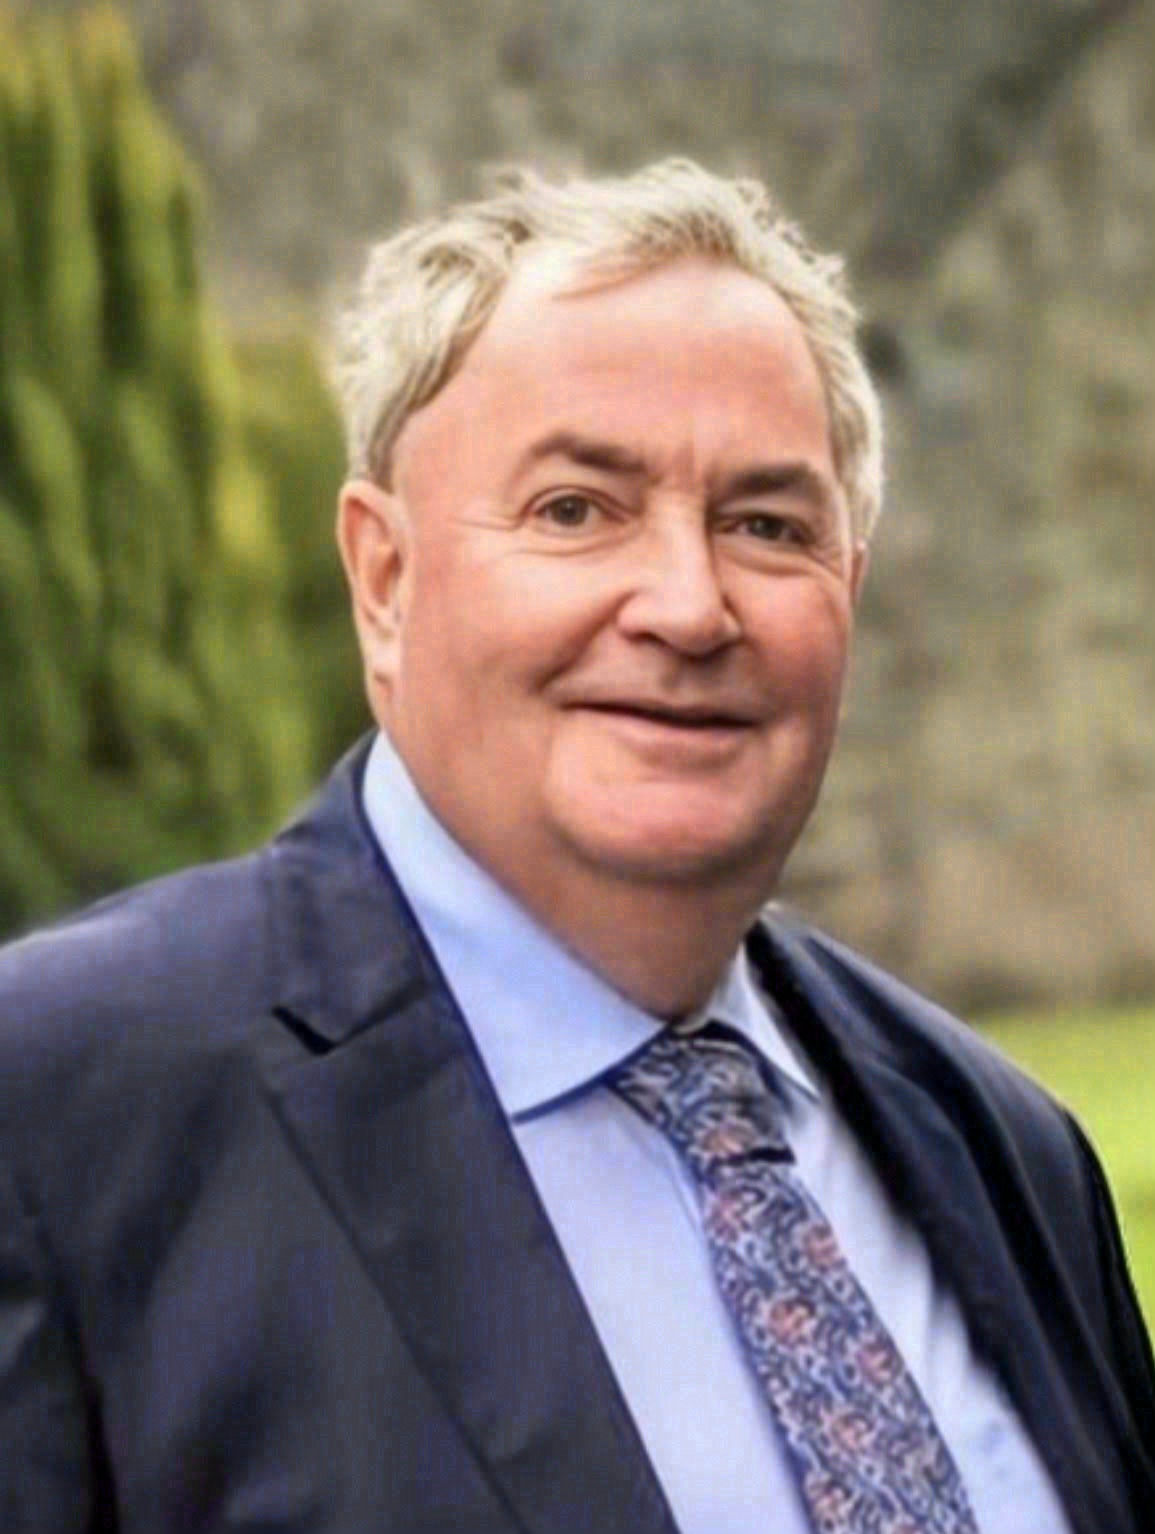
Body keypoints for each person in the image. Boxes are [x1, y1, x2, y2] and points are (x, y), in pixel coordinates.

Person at [0, 159, 1151, 1534]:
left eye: (767, 525)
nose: (689, 604)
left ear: (847, 587)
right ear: (385, 578)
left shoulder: (1005, 1152)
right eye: (575, 509)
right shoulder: (59, 1121)